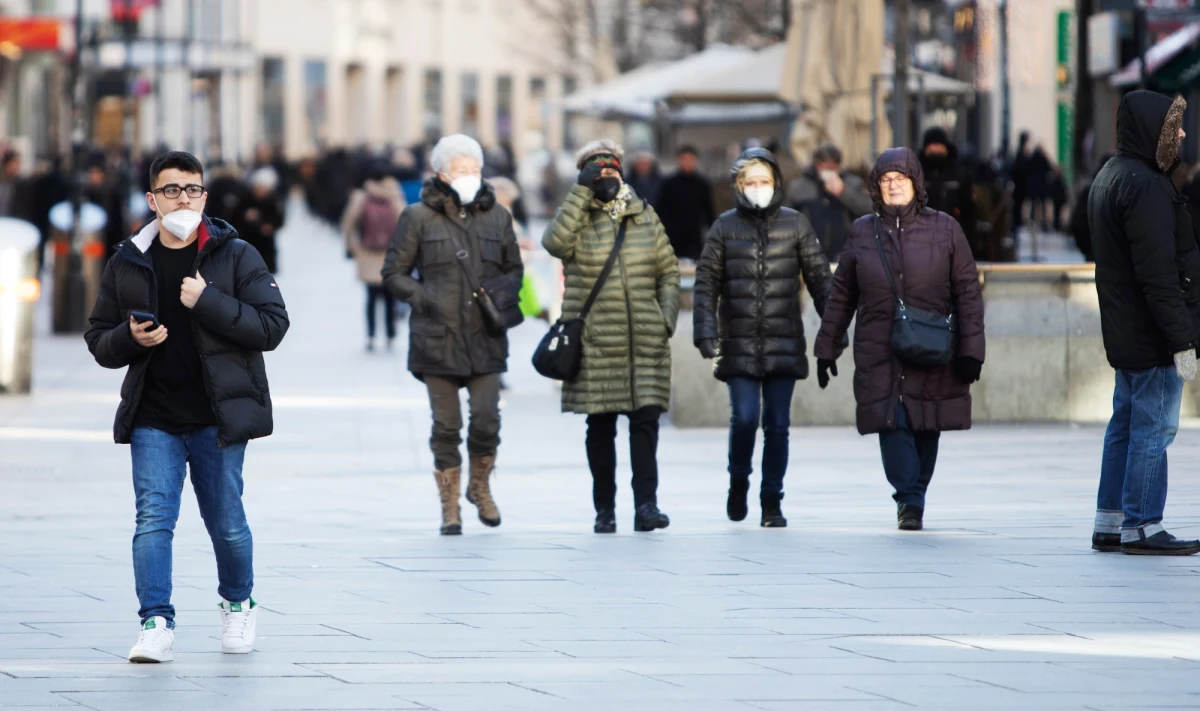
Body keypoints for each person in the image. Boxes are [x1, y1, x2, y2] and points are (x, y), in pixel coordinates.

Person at [83, 150, 289, 663]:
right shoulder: (128, 259)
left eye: (193, 189)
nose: (184, 199)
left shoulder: (237, 255)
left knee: (227, 523)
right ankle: (156, 622)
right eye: (172, 190)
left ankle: (238, 603)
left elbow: (272, 326)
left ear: (205, 196)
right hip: (154, 415)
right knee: (153, 518)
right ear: (152, 199)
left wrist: (210, 301)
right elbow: (98, 338)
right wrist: (129, 338)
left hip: (218, 418)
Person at [813, 147, 986, 532]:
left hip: (934, 345)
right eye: (885, 180)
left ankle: (915, 492)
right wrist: (827, 346)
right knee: (892, 422)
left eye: (900, 179)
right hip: (879, 346)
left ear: (915, 183)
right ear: (876, 187)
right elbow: (842, 294)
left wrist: (972, 349)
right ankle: (908, 498)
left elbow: (967, 293)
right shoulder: (862, 231)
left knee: (928, 424)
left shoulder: (945, 229)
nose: (893, 186)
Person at [382, 134, 523, 536]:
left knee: (486, 420)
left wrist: (502, 293)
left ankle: (480, 486)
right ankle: (450, 505)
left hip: (485, 335)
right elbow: (393, 274)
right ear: (442, 174)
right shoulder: (418, 217)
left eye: (475, 170)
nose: (470, 177)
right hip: (436, 336)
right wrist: (424, 297)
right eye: (462, 171)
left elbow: (514, 269)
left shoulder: (498, 216)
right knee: (446, 425)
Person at [543, 139, 680, 534]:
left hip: (643, 340)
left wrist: (664, 318)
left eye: (611, 170)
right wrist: (580, 193)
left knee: (645, 423)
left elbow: (668, 273)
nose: (606, 177)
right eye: (595, 171)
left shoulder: (644, 215)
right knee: (600, 428)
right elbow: (554, 243)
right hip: (596, 342)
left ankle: (646, 506)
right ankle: (605, 509)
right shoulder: (575, 217)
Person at [693, 148, 835, 527]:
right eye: (751, 182)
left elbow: (822, 280)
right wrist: (705, 331)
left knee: (777, 424)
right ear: (740, 187)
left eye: (765, 182)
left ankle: (772, 498)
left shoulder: (795, 224)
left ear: (776, 185)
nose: (759, 188)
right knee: (744, 418)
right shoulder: (724, 226)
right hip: (737, 340)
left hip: (783, 339)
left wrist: (833, 331)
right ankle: (738, 479)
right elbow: (705, 284)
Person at [1087, 90, 1200, 556]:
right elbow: (1159, 276)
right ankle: (1142, 525)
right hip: (1153, 336)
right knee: (1154, 429)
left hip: (1127, 332)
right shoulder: (1148, 185)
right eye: (1174, 126)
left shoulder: (1111, 177)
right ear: (1154, 131)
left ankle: (1110, 521)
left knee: (1126, 425)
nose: (1182, 134)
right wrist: (1183, 341)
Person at [341, 163, 406, 352]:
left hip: (367, 252)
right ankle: (390, 334)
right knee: (389, 296)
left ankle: (370, 335)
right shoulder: (394, 195)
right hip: (390, 254)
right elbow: (405, 224)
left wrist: (352, 247)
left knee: (370, 297)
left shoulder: (361, 196)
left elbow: (348, 224)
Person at [785, 144, 872, 262]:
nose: (829, 172)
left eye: (832, 168)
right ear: (816, 164)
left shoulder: (852, 182)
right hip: (810, 254)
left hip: (845, 252)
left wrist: (843, 192)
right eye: (825, 167)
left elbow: (868, 208)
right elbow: (788, 219)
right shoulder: (800, 186)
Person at [656, 145, 715, 261]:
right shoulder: (668, 184)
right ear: (679, 160)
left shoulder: (702, 184)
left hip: (694, 237)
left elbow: (708, 211)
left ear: (696, 161)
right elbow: (661, 210)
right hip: (672, 236)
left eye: (690, 159)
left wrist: (713, 233)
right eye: (684, 159)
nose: (687, 163)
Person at [919, 128, 976, 248]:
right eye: (932, 145)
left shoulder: (959, 174)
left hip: (953, 238)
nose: (935, 149)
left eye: (938, 145)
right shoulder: (917, 174)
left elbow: (969, 211)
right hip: (923, 239)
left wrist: (970, 243)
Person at [231, 167, 286, 274]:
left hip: (266, 248)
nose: (260, 191)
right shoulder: (245, 199)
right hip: (247, 244)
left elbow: (279, 219)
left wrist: (271, 226)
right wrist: (245, 216)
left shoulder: (273, 202)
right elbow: (233, 218)